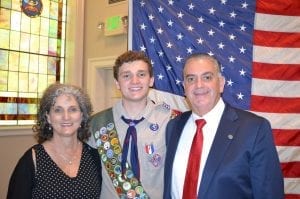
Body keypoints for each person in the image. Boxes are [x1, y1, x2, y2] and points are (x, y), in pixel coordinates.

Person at [163, 53, 284, 199]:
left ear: (221, 83)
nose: (199, 85)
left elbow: (269, 194)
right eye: (191, 79)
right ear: (184, 87)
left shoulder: (254, 129)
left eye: (207, 77)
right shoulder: (174, 127)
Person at [88, 51, 180, 199]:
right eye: (126, 76)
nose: (134, 81)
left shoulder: (172, 121)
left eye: (141, 74)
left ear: (151, 80)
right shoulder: (97, 123)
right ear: (117, 83)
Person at [7, 83, 102, 199]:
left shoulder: (93, 156)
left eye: (73, 109)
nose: (66, 117)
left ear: (82, 116)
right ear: (48, 117)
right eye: (58, 110)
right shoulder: (32, 160)